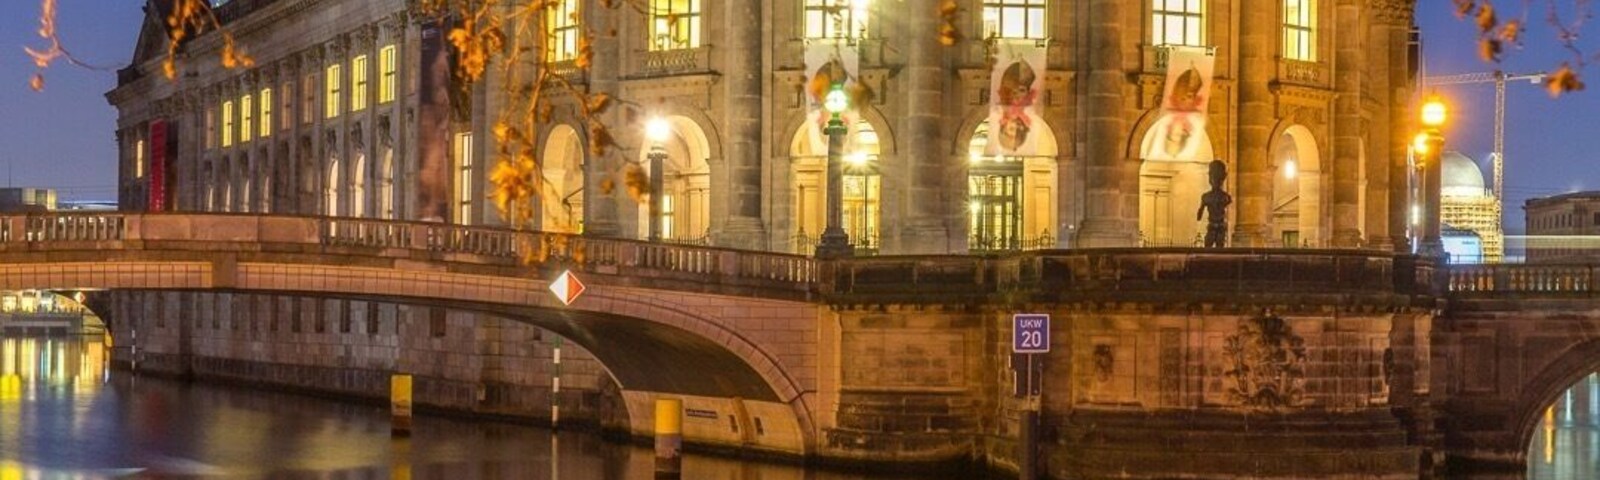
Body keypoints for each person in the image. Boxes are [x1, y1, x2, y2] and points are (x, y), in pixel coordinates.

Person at [1197, 160, 1232, 248]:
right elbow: (1199, 215)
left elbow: (1199, 216)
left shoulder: (1207, 197)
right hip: (1217, 226)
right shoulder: (1225, 197)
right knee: (1217, 247)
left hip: (1215, 226)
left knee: (1210, 246)